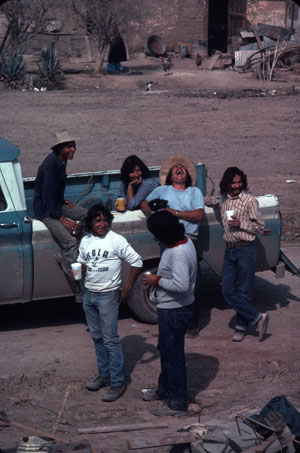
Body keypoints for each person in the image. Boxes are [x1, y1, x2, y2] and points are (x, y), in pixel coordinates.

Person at [77, 204, 142, 402]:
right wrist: (79, 271)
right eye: (98, 220)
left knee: (111, 341)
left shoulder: (116, 240)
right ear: (91, 222)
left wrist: (128, 286)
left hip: (108, 296)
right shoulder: (85, 241)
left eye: (105, 220)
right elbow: (81, 263)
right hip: (89, 295)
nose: (102, 224)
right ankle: (103, 376)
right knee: (97, 338)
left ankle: (117, 383)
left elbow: (136, 261)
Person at [141, 156, 204, 337]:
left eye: (182, 167)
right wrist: (155, 215)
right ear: (170, 175)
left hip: (188, 239)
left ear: (187, 175)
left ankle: (192, 324)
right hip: (166, 239)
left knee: (192, 282)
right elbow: (144, 202)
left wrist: (173, 213)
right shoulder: (162, 190)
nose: (179, 168)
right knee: (169, 277)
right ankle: (172, 317)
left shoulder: (194, 192)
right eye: (175, 167)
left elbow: (198, 215)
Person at [142, 210, 197, 416]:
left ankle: (177, 403)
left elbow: (181, 285)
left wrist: (157, 280)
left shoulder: (178, 254)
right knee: (166, 351)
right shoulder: (182, 242)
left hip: (174, 310)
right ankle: (164, 390)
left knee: (173, 357)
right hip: (172, 308)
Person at [205, 167, 269, 342]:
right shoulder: (223, 199)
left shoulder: (249, 201)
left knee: (245, 290)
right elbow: (210, 201)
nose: (237, 185)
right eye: (233, 182)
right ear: (227, 183)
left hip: (245, 249)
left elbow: (260, 226)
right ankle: (257, 317)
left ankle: (241, 326)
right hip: (230, 249)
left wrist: (241, 223)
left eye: (239, 182)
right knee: (226, 290)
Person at [33, 130, 87, 275]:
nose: (73, 149)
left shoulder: (62, 160)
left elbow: (54, 190)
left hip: (56, 204)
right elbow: (47, 196)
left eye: (74, 146)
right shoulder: (50, 165)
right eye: (69, 147)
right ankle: (76, 280)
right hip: (46, 211)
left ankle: (77, 252)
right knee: (70, 243)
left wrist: (62, 201)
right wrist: (63, 220)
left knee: (89, 216)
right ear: (59, 148)